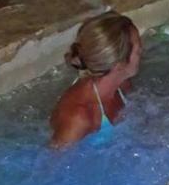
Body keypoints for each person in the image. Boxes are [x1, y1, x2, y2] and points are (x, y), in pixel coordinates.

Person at [49, 11, 142, 147]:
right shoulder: (78, 118)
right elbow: (54, 159)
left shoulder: (122, 85)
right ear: (119, 64)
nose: (142, 52)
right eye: (138, 50)